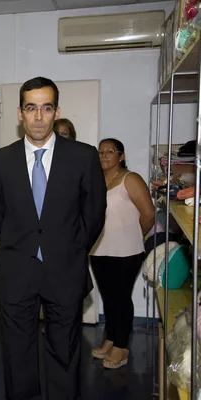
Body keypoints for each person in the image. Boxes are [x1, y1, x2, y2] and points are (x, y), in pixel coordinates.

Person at [0, 76, 106, 400]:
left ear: (56, 111)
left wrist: (69, 248)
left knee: (65, 353)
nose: (39, 117)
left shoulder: (83, 157)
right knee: (16, 355)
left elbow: (94, 215)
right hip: (17, 272)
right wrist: (22, 245)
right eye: (31, 108)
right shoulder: (0, 161)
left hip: (65, 271)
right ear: (20, 113)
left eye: (46, 108)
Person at [90, 138, 154, 369]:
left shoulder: (131, 179)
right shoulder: (96, 181)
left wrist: (135, 234)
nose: (104, 155)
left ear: (121, 156)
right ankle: (111, 338)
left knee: (121, 298)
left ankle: (122, 347)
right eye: (101, 152)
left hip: (127, 251)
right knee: (108, 297)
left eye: (110, 151)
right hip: (98, 249)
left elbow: (148, 214)